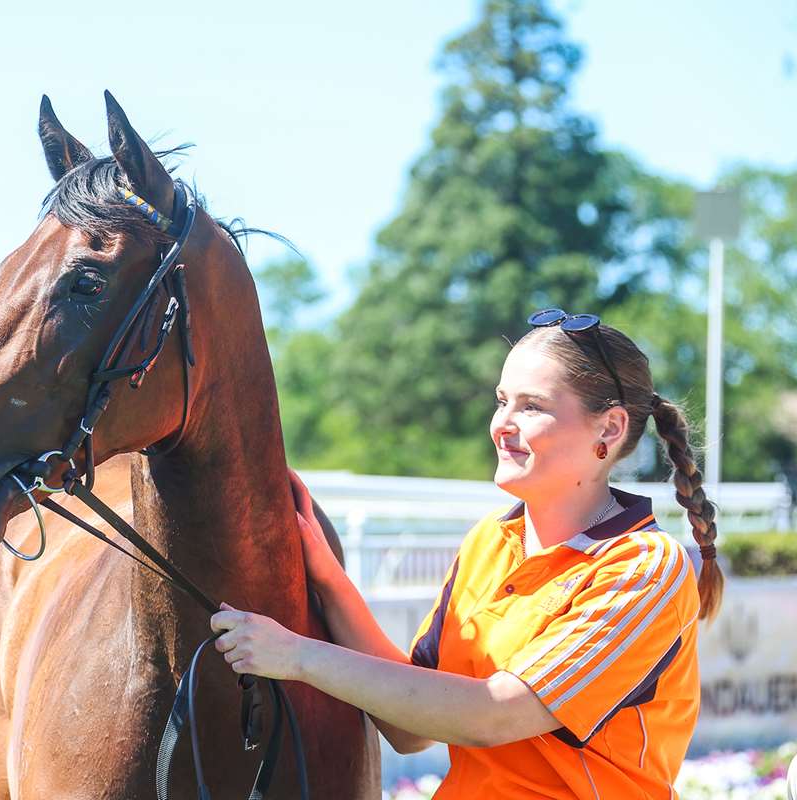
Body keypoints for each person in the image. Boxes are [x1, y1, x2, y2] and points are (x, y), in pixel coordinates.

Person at [211, 308, 723, 799]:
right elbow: (411, 729)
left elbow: (493, 716)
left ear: (608, 430)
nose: (503, 422)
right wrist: (329, 582)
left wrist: (297, 656)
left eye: (532, 406)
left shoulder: (644, 567)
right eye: (502, 401)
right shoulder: (487, 542)